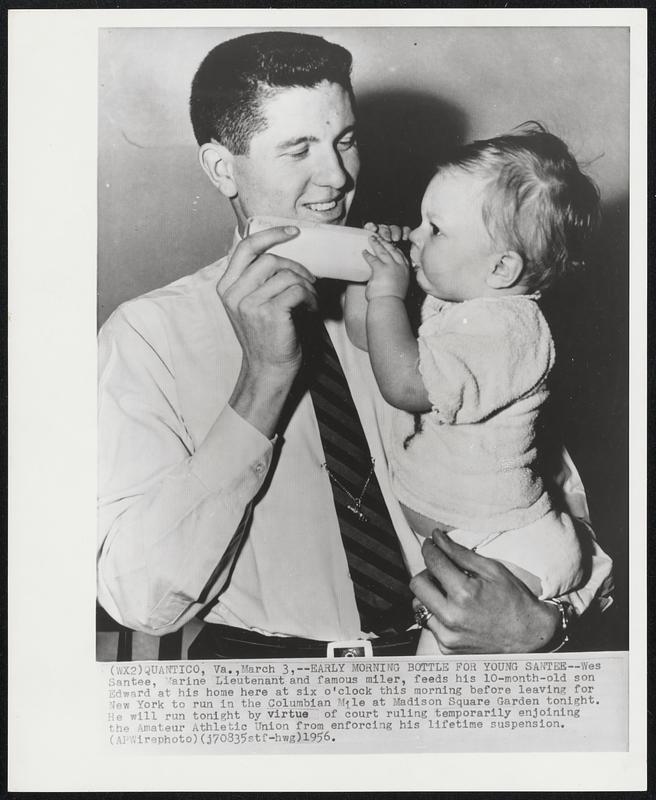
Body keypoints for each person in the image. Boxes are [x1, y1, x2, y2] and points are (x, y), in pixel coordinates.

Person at [97, 31, 613, 658]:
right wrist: (262, 380)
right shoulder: (147, 336)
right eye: (299, 149)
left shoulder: (450, 298)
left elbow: (559, 516)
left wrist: (544, 622)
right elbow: (141, 601)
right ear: (221, 168)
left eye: (345, 140)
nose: (337, 177)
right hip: (268, 691)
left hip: (444, 682)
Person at [345, 126, 598, 611]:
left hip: (508, 542)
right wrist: (368, 276)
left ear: (501, 269)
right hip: (470, 538)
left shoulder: (509, 330)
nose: (416, 235)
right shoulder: (460, 303)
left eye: (434, 229)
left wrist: (386, 293)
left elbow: (404, 383)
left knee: (442, 668)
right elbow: (369, 339)